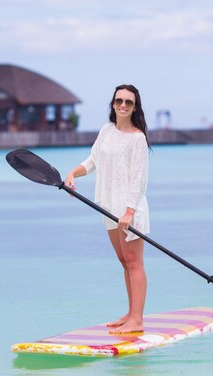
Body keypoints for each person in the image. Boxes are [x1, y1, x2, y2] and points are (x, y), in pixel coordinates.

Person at [65, 84, 151, 334]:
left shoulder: (138, 138)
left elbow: (139, 179)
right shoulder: (106, 130)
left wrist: (130, 212)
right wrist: (73, 174)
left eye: (129, 102)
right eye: (119, 101)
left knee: (134, 261)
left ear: (135, 107)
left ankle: (138, 319)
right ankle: (130, 313)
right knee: (124, 261)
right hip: (108, 207)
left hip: (129, 210)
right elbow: (93, 161)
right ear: (113, 104)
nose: (123, 105)